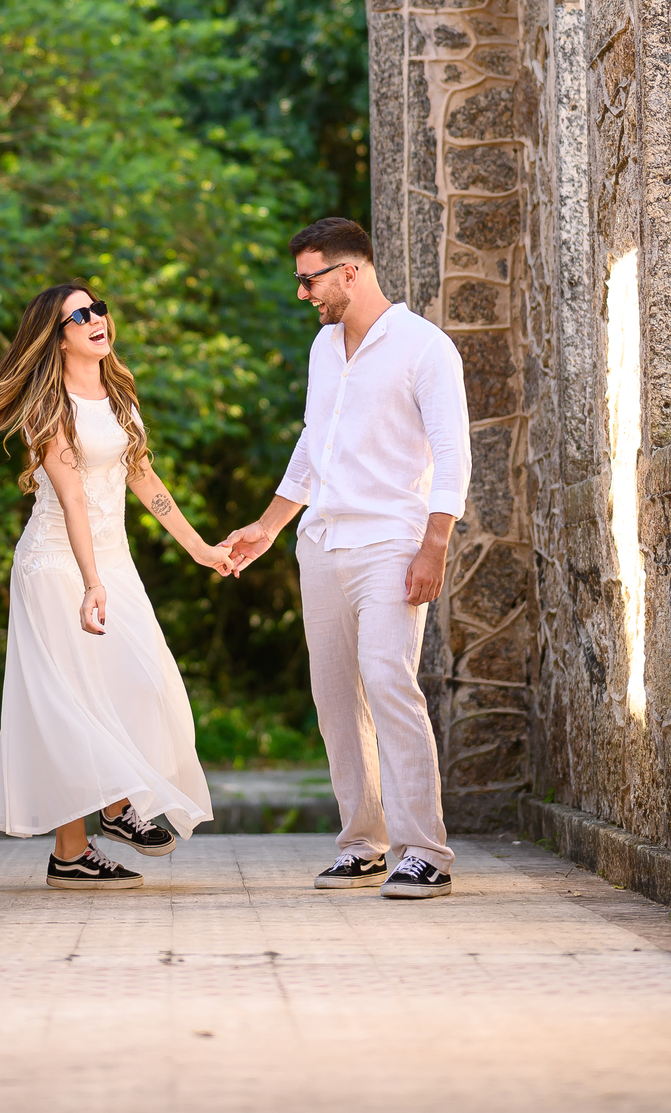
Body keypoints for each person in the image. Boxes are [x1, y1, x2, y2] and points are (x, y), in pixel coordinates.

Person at [0, 282, 233, 890]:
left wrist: (201, 549)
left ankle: (107, 813)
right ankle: (79, 846)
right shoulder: (48, 409)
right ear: (57, 335)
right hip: (57, 566)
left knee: (144, 681)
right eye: (79, 314)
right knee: (69, 703)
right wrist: (90, 581)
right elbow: (73, 500)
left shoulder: (118, 394)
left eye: (98, 307)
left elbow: (144, 477)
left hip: (111, 565)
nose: (96, 318)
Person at [224, 217, 470, 899]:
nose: (304, 294)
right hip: (323, 542)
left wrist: (435, 545)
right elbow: (315, 443)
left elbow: (453, 454)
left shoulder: (425, 348)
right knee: (335, 699)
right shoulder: (324, 349)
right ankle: (363, 843)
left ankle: (426, 851)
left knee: (389, 683)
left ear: (350, 271)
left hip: (393, 541)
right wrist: (273, 525)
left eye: (310, 279)